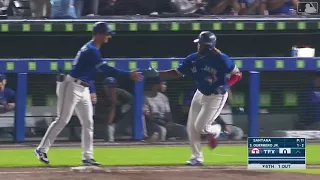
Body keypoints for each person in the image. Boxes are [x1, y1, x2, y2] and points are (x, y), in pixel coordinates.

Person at [34, 21, 142, 166]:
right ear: (98, 34)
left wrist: (91, 90)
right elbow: (105, 69)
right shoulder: (90, 49)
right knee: (63, 119)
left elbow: (89, 73)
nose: (108, 37)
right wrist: (128, 74)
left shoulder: (94, 49)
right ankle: (41, 149)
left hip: (83, 87)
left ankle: (87, 156)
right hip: (71, 86)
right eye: (106, 34)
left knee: (88, 122)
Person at [157, 31, 242, 166]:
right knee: (191, 127)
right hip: (200, 92)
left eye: (202, 45)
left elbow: (237, 75)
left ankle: (216, 130)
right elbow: (176, 73)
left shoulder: (221, 59)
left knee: (201, 127)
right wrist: (157, 73)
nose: (199, 47)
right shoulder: (193, 58)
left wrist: (226, 86)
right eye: (199, 44)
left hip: (216, 96)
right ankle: (196, 157)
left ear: (209, 46)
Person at [144, 77, 188, 141]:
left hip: (164, 122)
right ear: (155, 85)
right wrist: (156, 119)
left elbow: (168, 114)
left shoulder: (163, 97)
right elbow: (146, 114)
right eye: (163, 84)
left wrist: (170, 123)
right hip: (151, 123)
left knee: (184, 130)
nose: (165, 86)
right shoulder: (144, 96)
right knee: (162, 130)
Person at [95, 77, 134, 142]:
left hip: (121, 120)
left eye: (113, 86)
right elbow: (108, 119)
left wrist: (126, 106)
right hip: (104, 122)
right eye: (109, 87)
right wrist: (113, 103)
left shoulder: (120, 92)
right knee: (108, 126)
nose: (111, 89)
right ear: (104, 87)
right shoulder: (100, 95)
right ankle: (110, 142)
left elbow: (134, 100)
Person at [0, 74, 15, 138]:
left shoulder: (9, 92)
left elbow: (19, 103)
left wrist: (13, 105)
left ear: (5, 81)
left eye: (1, 81)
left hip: (7, 115)